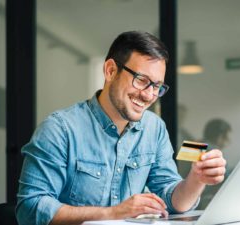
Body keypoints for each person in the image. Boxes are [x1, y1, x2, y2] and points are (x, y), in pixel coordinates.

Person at [16, 31, 226, 225]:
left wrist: (196, 180)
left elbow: (171, 199)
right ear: (110, 70)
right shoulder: (59, 129)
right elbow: (30, 208)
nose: (148, 95)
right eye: (141, 80)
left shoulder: (155, 128)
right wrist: (114, 213)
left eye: (156, 86)